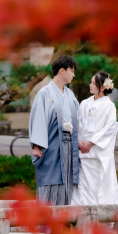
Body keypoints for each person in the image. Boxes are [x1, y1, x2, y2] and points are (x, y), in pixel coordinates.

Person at [29, 55, 80, 205]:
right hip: (51, 144)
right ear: (62, 71)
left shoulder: (70, 95)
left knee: (67, 181)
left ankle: (63, 223)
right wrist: (37, 145)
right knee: (50, 179)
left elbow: (78, 118)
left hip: (69, 145)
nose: (73, 75)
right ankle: (46, 224)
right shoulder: (44, 93)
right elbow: (38, 119)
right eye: (72, 71)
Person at [71, 71, 118, 205]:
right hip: (83, 152)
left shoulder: (109, 105)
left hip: (98, 154)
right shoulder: (84, 103)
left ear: (103, 87)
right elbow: (77, 124)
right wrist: (78, 140)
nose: (90, 85)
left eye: (94, 83)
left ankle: (102, 219)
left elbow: (110, 128)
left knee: (100, 187)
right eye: (91, 82)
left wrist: (91, 143)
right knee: (83, 187)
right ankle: (81, 220)